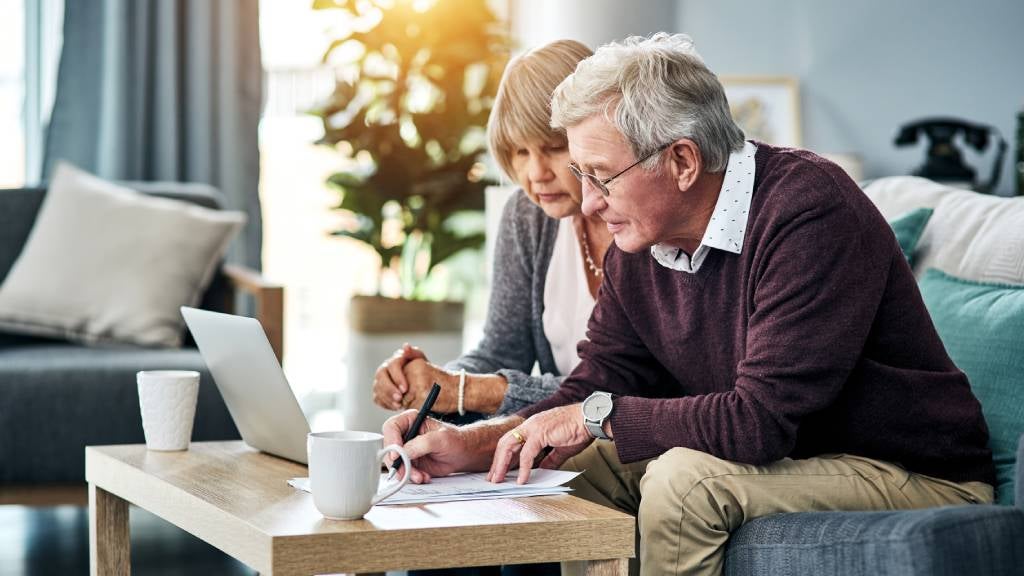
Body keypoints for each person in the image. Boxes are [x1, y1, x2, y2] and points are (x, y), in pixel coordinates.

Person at [382, 32, 996, 576]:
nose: (589, 203)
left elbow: (759, 421)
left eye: (600, 175)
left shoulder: (808, 211)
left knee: (682, 481)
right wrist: (484, 441)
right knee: (561, 477)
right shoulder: (641, 240)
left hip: (910, 470)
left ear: (681, 160)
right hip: (796, 454)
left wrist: (598, 416)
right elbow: (599, 380)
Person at [371, 39, 612, 421]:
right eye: (520, 152)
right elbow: (502, 351)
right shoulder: (527, 215)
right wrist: (431, 387)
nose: (536, 175)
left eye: (553, 147)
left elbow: (625, 391)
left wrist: (464, 391)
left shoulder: (642, 217)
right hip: (555, 443)